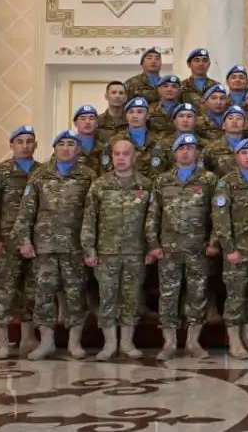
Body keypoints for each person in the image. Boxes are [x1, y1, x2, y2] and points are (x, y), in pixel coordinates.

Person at [14, 129, 96, 360]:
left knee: (75, 294)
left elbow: (92, 214)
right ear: (54, 148)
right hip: (45, 246)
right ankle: (47, 342)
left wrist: (89, 246)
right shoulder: (40, 175)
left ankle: (74, 343)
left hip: (75, 246)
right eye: (62, 144)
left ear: (78, 149)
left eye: (72, 144)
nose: (67, 148)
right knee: (43, 295)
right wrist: (24, 240)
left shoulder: (88, 176)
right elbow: (27, 210)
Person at [145, 133, 218, 360]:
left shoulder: (209, 180)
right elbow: (152, 215)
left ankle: (193, 342)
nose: (186, 151)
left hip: (198, 248)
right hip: (169, 249)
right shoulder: (162, 180)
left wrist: (214, 242)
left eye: (191, 147)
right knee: (168, 295)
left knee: (197, 295)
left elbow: (218, 215)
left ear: (197, 152)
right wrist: (153, 244)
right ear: (175, 153)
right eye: (181, 148)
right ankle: (169, 343)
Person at [82, 136, 151, 360]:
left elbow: (153, 221)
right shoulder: (100, 185)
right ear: (111, 157)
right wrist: (89, 249)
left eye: (126, 154)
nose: (121, 158)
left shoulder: (146, 185)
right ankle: (109, 344)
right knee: (108, 298)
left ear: (134, 157)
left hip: (136, 252)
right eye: (117, 154)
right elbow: (89, 219)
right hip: (106, 253)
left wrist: (152, 248)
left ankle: (127, 343)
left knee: (131, 298)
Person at [0, 126, 40, 358]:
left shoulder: (42, 172)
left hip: (34, 242)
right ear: (12, 145)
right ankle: (2, 340)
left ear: (35, 145)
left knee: (30, 290)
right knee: (6, 290)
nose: (25, 145)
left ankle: (27, 338)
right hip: (7, 242)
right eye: (20, 141)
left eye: (29, 141)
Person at [213, 138, 248, 359]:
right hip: (237, 250)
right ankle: (235, 341)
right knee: (236, 296)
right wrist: (229, 248)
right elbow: (220, 219)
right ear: (236, 157)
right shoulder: (226, 183)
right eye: (243, 152)